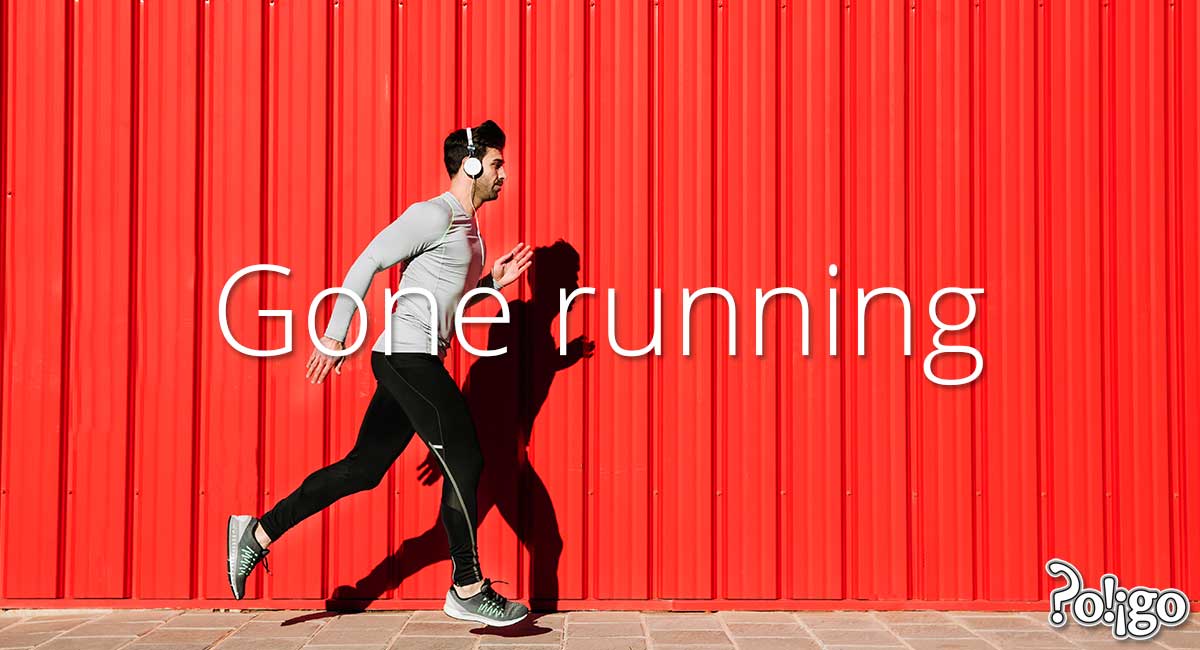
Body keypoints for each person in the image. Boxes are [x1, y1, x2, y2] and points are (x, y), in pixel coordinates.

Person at [227, 120, 534, 627]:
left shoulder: (470, 229)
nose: (505, 175)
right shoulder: (434, 214)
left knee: (363, 470)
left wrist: (491, 283)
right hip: (404, 357)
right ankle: (467, 586)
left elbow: (448, 301)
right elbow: (369, 260)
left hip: (417, 359)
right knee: (468, 456)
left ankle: (255, 532)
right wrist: (334, 334)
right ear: (472, 164)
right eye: (498, 165)